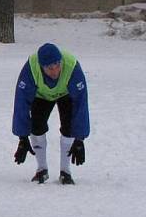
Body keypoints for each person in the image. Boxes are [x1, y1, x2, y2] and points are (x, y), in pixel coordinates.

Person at [12, 42, 89, 185]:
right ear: (41, 67)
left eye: (57, 66)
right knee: (37, 126)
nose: (55, 71)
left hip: (66, 94)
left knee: (69, 127)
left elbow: (81, 104)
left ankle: (65, 172)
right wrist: (22, 137)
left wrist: (80, 139)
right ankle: (41, 169)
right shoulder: (30, 68)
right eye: (49, 68)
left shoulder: (72, 67)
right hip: (41, 95)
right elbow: (21, 103)